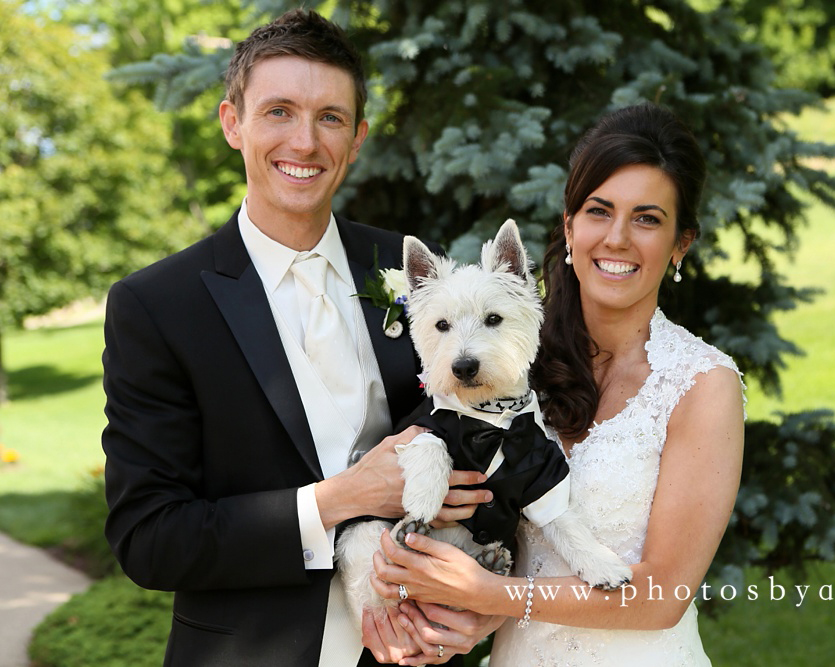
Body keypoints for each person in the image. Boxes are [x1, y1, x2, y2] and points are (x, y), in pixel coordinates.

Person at [101, 9, 496, 666]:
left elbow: (486, 433)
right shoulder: (157, 306)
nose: (305, 142)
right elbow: (151, 537)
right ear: (234, 123)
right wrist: (343, 497)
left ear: (358, 136)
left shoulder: (409, 268)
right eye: (279, 111)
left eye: (330, 118)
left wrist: (478, 607)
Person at [367, 103, 746, 665]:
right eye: (599, 211)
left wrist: (492, 595)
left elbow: (663, 596)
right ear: (569, 227)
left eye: (647, 218)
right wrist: (449, 612)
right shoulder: (507, 366)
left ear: (680, 245)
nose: (616, 238)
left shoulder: (702, 383)